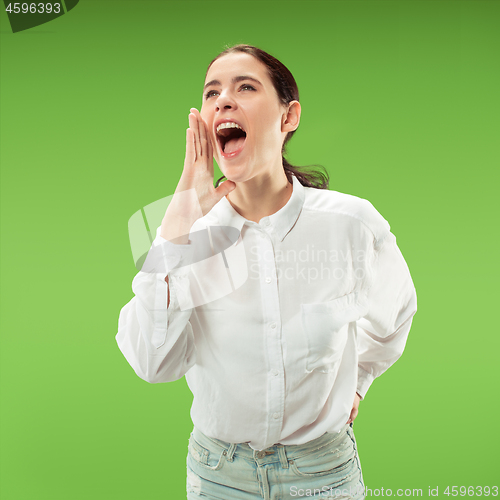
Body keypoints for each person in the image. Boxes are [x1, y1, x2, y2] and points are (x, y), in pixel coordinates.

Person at [116, 44, 417, 500]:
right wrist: (177, 225)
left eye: (245, 87)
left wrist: (358, 381)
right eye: (212, 92)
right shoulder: (188, 240)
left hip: (324, 473)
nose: (223, 101)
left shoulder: (351, 225)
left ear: (288, 116)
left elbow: (394, 314)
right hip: (218, 476)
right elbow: (152, 363)